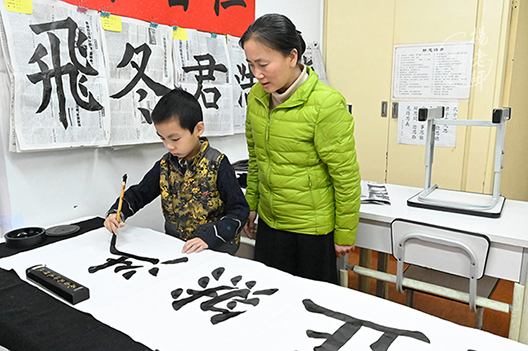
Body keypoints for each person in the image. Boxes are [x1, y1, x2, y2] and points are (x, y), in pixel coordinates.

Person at [239, 14, 361, 284]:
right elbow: (256, 159)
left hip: (311, 231)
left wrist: (344, 234)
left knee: (312, 311)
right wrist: (250, 205)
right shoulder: (256, 98)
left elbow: (346, 177)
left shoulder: (325, 104)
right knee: (269, 299)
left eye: (263, 64)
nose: (256, 74)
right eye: (250, 65)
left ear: (292, 57)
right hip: (271, 224)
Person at [104, 88, 249, 255]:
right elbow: (139, 193)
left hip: (215, 248)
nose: (169, 146)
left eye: (175, 139)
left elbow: (239, 210)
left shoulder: (217, 164)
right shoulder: (165, 165)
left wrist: (210, 237)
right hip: (179, 247)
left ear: (198, 129)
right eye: (162, 138)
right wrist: (117, 212)